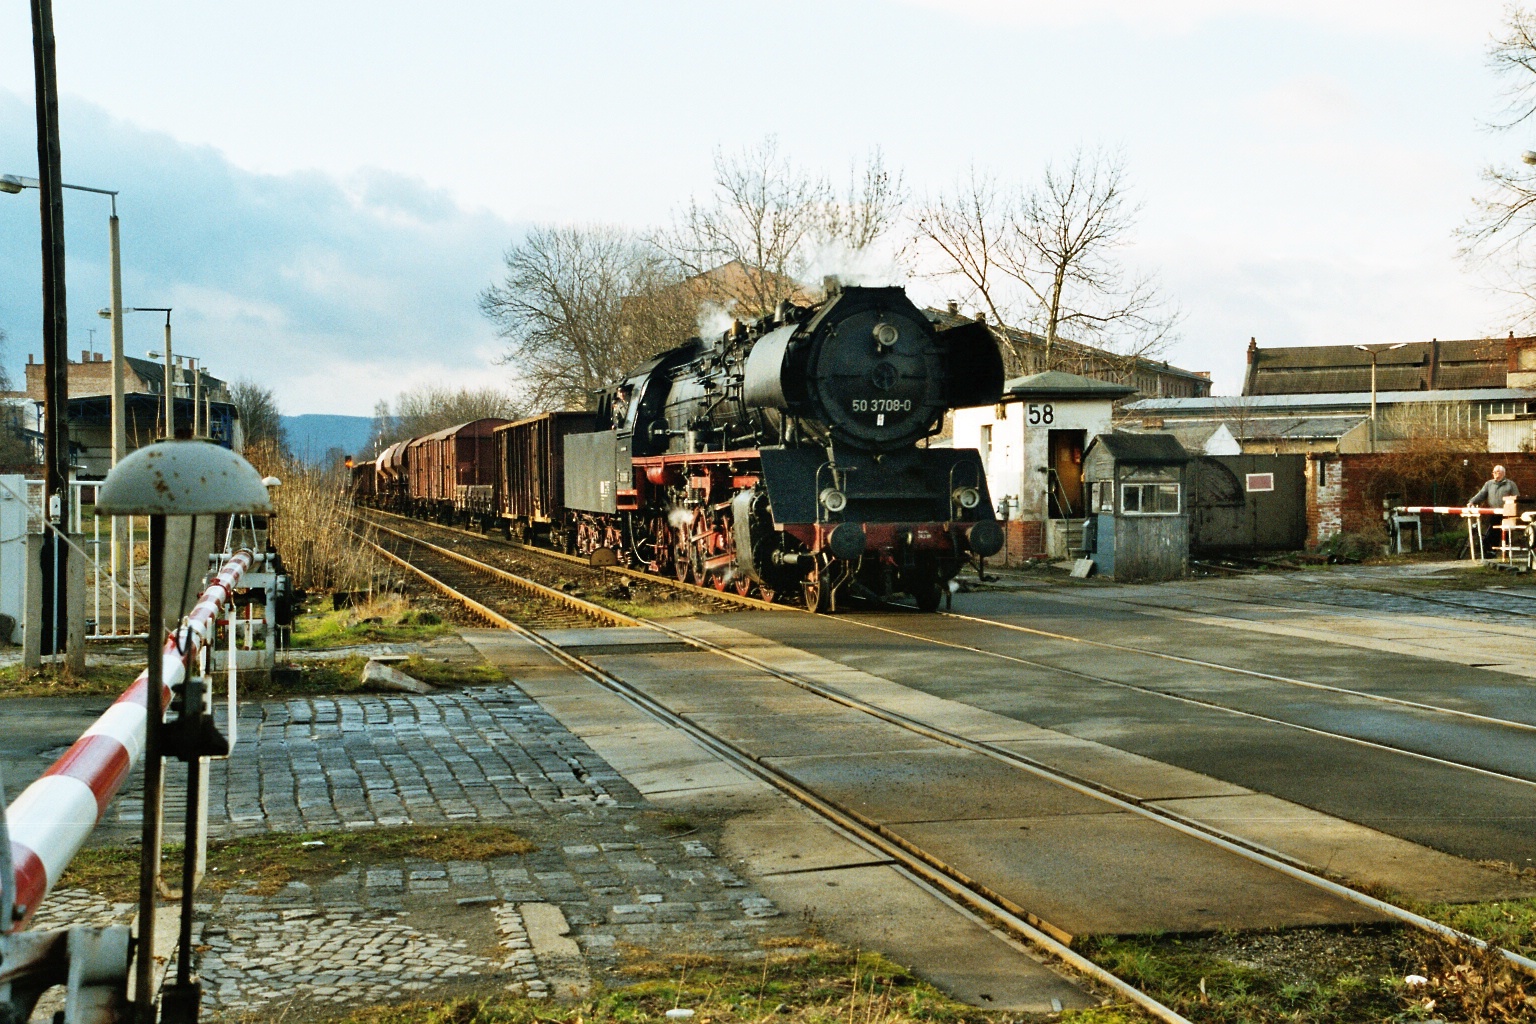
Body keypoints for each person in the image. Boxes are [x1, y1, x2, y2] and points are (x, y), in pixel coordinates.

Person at [1467, 464, 1520, 557]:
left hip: (1507, 513)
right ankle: (1492, 551)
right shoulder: (1489, 484)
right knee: (1493, 531)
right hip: (1494, 512)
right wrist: (1472, 501)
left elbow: (1517, 498)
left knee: (1507, 531)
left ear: (1503, 473)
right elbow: (1481, 494)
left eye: (1497, 472)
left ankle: (1506, 551)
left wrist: (1513, 508)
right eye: (1494, 472)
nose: (1495, 474)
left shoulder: (1510, 484)